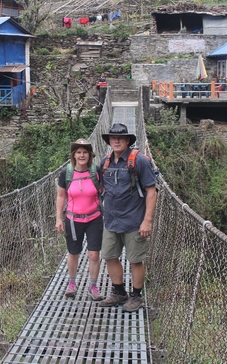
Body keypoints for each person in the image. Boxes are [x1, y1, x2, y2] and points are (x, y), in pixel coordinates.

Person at [98, 123, 158, 312]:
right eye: (113, 138)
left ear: (127, 141)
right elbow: (99, 187)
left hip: (134, 221)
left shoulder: (139, 161)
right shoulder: (105, 162)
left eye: (120, 138)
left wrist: (147, 220)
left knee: (135, 260)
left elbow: (151, 191)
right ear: (109, 141)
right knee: (108, 255)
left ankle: (136, 296)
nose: (116, 141)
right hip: (111, 220)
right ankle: (119, 292)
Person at [55, 138, 104, 301]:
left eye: (85, 152)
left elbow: (105, 190)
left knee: (94, 254)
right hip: (73, 220)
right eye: (78, 152)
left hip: (94, 218)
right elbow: (61, 195)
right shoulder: (66, 173)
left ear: (90, 155)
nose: (82, 155)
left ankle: (93, 286)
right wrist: (58, 218)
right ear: (74, 155)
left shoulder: (96, 171)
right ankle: (72, 283)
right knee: (73, 253)